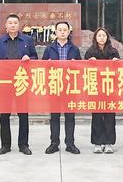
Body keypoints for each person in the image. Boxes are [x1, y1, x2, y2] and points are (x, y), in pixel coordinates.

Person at [0, 13, 38, 155]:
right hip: (4, 83)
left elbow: (35, 58)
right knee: (4, 115)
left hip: (21, 82)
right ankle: (5, 145)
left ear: (19, 25)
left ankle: (23, 145)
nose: (12, 25)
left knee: (23, 115)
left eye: (15, 23)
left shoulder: (27, 40)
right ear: (6, 25)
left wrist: (29, 58)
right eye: (10, 23)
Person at [42, 21, 82, 155]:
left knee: (70, 116)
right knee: (54, 116)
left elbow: (81, 67)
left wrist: (76, 64)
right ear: (56, 32)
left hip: (70, 86)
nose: (62, 32)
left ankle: (70, 143)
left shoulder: (74, 49)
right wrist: (47, 65)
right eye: (60, 30)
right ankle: (54, 143)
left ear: (69, 32)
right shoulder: (49, 48)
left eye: (65, 30)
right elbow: (42, 66)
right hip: (54, 86)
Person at [84, 27, 120, 154]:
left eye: (104, 35)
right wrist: (89, 62)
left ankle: (109, 142)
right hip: (96, 88)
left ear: (107, 37)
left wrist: (116, 62)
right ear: (95, 37)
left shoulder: (113, 51)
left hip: (110, 88)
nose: (101, 38)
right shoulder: (90, 51)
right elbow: (84, 69)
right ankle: (97, 143)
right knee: (97, 116)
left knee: (110, 116)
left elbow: (119, 70)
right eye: (99, 35)